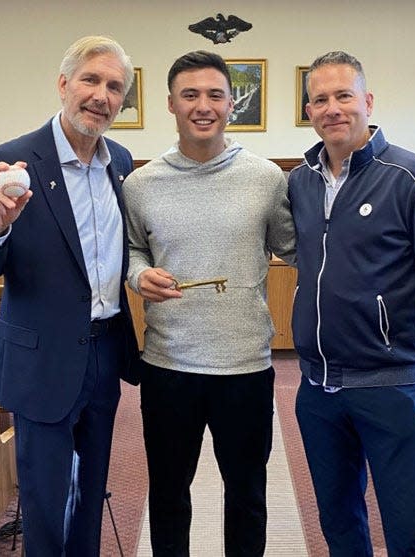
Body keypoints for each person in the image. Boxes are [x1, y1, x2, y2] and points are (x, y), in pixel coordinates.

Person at [0, 35, 140, 556]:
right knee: (45, 499)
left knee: (91, 494)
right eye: (90, 80)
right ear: (63, 85)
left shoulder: (120, 161)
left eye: (114, 87)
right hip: (41, 363)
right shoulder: (13, 160)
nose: (101, 95)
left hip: (104, 353)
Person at [288, 51, 415, 556]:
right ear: (309, 110)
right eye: (320, 99)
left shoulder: (410, 175)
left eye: (343, 96)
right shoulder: (300, 182)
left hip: (392, 387)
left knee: (407, 529)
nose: (333, 108)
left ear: (367, 101)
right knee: (339, 522)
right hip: (318, 388)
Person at [122, 50, 295, 557]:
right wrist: (138, 274)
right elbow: (132, 250)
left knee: (247, 494)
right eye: (191, 95)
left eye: (215, 95)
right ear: (171, 104)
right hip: (168, 366)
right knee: (169, 495)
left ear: (231, 104)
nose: (204, 105)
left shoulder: (265, 178)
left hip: (245, 367)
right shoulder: (140, 184)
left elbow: (298, 246)